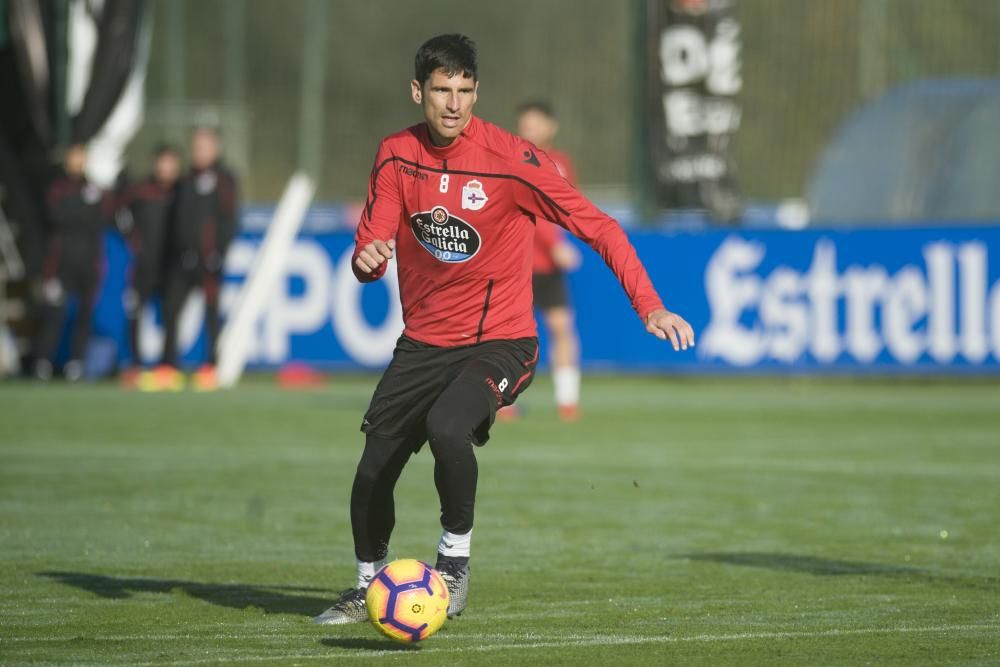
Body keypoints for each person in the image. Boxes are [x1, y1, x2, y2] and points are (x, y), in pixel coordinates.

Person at [314, 34, 694, 625]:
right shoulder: (395, 154)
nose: (453, 104)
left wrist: (649, 306)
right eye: (441, 90)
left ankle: (454, 565)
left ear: (476, 93)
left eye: (465, 91)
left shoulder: (510, 160)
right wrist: (368, 260)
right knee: (370, 475)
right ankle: (368, 590)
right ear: (418, 91)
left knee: (447, 426)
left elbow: (599, 227)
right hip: (423, 344)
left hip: (503, 342)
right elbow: (374, 240)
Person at [154, 127, 238, 392]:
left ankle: (210, 366)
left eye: (204, 146)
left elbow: (228, 219)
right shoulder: (186, 179)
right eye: (196, 146)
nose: (199, 151)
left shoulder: (224, 179)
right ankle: (168, 366)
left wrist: (218, 253)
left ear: (216, 148)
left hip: (208, 259)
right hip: (183, 259)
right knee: (170, 308)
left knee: (211, 312)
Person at [515, 100, 583, 421]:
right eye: (525, 123)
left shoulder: (561, 163)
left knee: (561, 327)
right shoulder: (513, 158)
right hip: (515, 260)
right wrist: (555, 243)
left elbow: (568, 207)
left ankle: (567, 400)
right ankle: (502, 399)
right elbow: (530, 206)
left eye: (535, 122)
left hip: (548, 265)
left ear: (550, 126)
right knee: (507, 334)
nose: (528, 128)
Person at [32, 144, 110, 381]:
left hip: (89, 262)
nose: (77, 162)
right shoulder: (58, 188)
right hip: (61, 262)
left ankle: (76, 364)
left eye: (81, 157)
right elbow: (57, 217)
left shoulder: (94, 188)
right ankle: (42, 362)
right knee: (55, 313)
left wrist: (81, 214)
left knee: (85, 315)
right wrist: (82, 214)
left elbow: (101, 218)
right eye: (73, 158)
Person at [116, 144, 180, 386]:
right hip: (142, 264)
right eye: (162, 162)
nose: (166, 168)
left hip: (171, 265)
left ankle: (168, 366)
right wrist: (132, 238)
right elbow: (117, 210)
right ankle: (135, 364)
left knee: (170, 314)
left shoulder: (182, 190)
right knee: (136, 312)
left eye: (171, 163)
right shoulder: (140, 190)